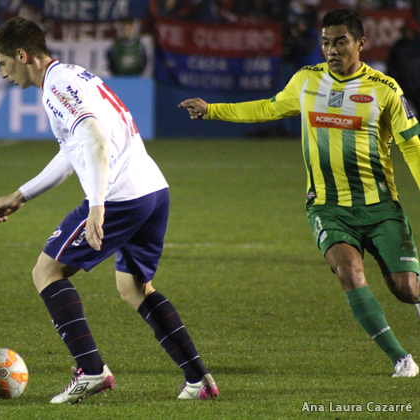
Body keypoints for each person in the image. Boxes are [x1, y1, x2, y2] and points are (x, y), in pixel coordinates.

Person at [0, 17, 218, 403]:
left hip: (120, 196)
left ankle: (91, 371)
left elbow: (94, 141)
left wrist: (96, 208)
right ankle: (199, 380)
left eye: (3, 63)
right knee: (134, 288)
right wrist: (21, 195)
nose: (3, 72)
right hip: (152, 190)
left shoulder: (56, 87)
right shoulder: (73, 76)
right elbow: (73, 150)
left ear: (22, 55)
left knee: (47, 271)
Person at [179, 8, 420, 377]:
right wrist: (213, 110)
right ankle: (401, 359)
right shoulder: (307, 81)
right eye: (326, 42)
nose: (332, 50)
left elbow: (411, 145)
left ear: (361, 43)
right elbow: (269, 108)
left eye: (340, 41)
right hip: (327, 206)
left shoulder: (385, 90)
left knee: (406, 289)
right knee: (348, 271)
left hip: (379, 205)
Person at [386, 17, 420, 114]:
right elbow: (392, 66)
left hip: (418, 85)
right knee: (401, 112)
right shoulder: (398, 47)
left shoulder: (418, 45)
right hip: (403, 85)